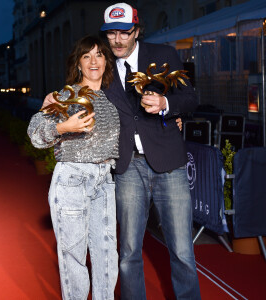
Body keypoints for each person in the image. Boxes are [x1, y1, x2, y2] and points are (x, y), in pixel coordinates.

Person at [100, 3, 201, 299]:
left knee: (182, 250)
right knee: (129, 251)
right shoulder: (102, 66)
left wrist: (166, 106)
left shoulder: (163, 55)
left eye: (124, 32)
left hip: (169, 164)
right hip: (128, 166)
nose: (117, 40)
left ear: (137, 31)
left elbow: (190, 98)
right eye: (111, 34)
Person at [27, 36, 120, 300]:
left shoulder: (112, 99)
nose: (94, 61)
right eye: (87, 56)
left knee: (106, 253)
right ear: (78, 63)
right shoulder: (67, 96)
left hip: (105, 181)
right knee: (73, 255)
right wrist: (62, 128)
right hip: (72, 181)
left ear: (106, 61)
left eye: (99, 55)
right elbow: (34, 133)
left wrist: (173, 119)